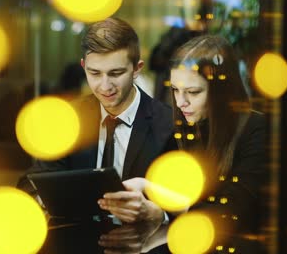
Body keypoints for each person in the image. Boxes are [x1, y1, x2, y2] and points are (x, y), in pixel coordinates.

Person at [18, 17, 176, 225]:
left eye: (116, 73)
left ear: (137, 69)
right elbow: (30, 184)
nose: (104, 86)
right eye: (94, 73)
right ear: (84, 66)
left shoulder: (168, 124)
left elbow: (191, 201)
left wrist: (160, 214)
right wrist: (45, 199)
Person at [168, 35, 266, 237]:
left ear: (221, 91)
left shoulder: (256, 130)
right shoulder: (186, 127)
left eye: (193, 92)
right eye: (175, 90)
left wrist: (168, 205)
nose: (180, 102)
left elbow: (232, 213)